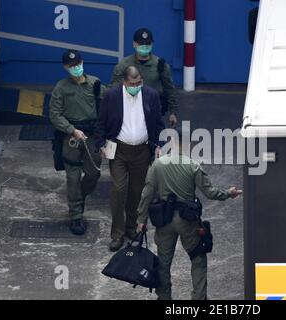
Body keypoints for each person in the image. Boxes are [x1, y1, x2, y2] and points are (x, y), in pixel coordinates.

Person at [135, 127, 243, 300]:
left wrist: (141, 220)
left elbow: (146, 194)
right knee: (198, 259)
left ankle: (164, 298)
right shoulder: (193, 166)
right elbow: (210, 192)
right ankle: (198, 298)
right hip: (187, 221)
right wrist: (229, 193)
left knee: (163, 263)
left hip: (164, 220)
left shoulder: (158, 165)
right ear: (188, 144)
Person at [95, 65, 165, 252]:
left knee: (137, 191)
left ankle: (131, 227)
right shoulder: (112, 96)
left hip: (142, 151)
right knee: (118, 189)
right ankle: (117, 235)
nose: (136, 86)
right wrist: (101, 144)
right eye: (132, 83)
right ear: (124, 82)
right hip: (118, 149)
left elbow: (158, 123)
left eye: (138, 82)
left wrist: (158, 144)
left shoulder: (151, 95)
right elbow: (101, 122)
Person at [49, 49, 104, 235]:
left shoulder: (95, 84)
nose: (76, 68)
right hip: (71, 137)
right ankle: (76, 216)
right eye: (72, 66)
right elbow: (54, 115)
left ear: (83, 62)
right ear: (66, 67)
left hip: (91, 137)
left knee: (93, 173)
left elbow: (109, 104)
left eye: (78, 64)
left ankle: (79, 197)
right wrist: (71, 130)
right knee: (72, 177)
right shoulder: (61, 88)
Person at [109, 28, 179, 128]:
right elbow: (113, 89)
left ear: (152, 45)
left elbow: (169, 89)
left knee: (155, 139)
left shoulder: (160, 65)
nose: (144, 47)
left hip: (152, 111)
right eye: (141, 44)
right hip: (128, 110)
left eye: (148, 44)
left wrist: (173, 112)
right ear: (134, 44)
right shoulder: (124, 65)